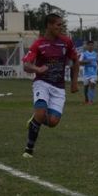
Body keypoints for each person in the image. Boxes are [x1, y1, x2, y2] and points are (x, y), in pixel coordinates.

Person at [22, 13, 79, 158]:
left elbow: (75, 61)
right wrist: (37, 69)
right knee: (41, 113)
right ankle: (29, 149)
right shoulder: (38, 44)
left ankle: (35, 119)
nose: (60, 28)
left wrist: (74, 83)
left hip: (59, 87)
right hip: (42, 83)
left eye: (61, 25)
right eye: (58, 25)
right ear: (49, 25)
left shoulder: (66, 42)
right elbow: (26, 65)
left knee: (53, 122)